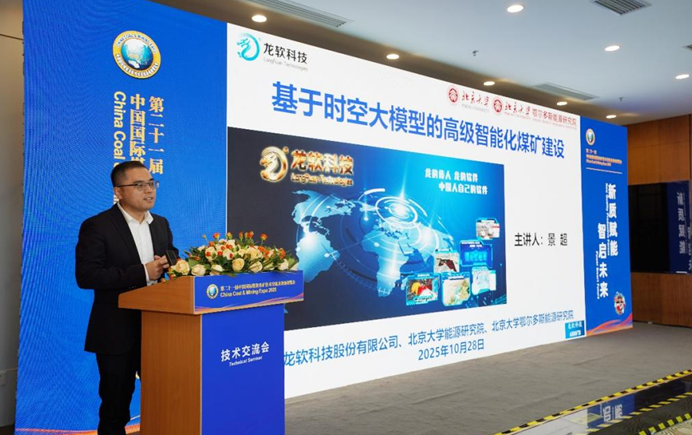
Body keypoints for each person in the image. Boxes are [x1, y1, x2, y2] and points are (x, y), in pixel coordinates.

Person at [75, 161, 177, 435]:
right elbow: (87, 276)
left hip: (157, 327)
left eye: (151, 183)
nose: (149, 190)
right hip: (115, 329)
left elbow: (171, 253)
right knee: (116, 404)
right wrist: (143, 272)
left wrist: (171, 262)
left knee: (165, 395)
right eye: (139, 185)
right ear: (118, 191)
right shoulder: (97, 226)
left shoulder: (161, 224)